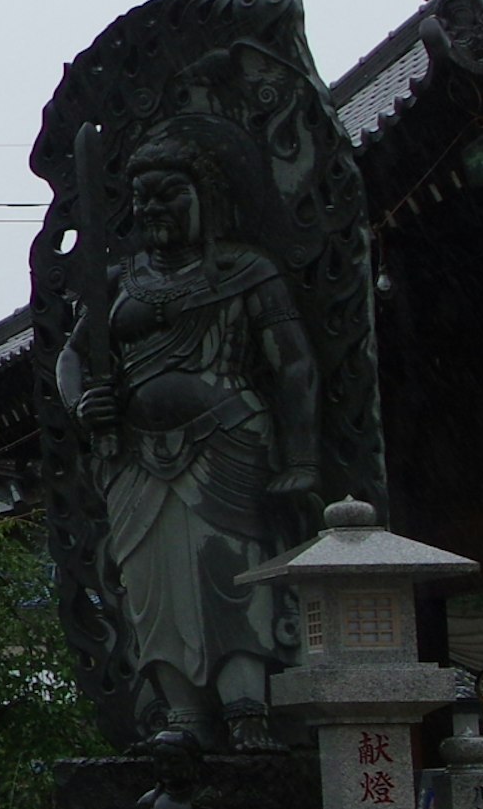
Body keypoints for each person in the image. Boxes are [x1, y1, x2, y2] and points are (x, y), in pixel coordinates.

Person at [59, 112, 325, 749]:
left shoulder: (245, 270)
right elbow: (72, 357)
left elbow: (293, 362)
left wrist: (302, 457)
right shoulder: (118, 280)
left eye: (170, 192)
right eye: (142, 195)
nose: (153, 207)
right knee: (151, 589)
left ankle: (246, 708)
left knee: (230, 578)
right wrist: (81, 407)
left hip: (227, 441)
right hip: (133, 458)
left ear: (208, 195)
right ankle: (180, 714)